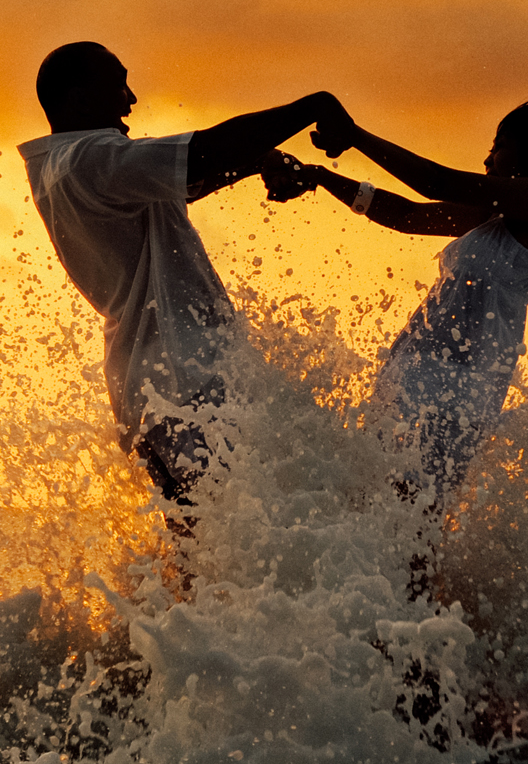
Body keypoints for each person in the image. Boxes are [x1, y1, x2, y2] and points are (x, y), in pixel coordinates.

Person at [17, 41, 338, 505]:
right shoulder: (94, 157)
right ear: (80, 99)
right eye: (118, 84)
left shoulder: (61, 166)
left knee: (199, 539)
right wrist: (313, 108)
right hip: (184, 382)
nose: (130, 98)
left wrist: (254, 164)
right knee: (234, 522)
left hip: (148, 388)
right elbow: (205, 153)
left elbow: (184, 183)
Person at [302, 93, 528, 511]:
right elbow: (407, 216)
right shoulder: (498, 217)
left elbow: (437, 182)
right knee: (373, 507)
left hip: (462, 391)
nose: (488, 158)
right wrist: (320, 177)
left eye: (499, 146)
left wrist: (354, 136)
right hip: (413, 374)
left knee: (414, 520)